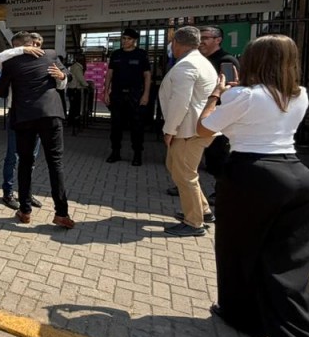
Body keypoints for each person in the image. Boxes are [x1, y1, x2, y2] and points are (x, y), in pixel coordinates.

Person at [197, 34, 309, 337]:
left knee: (239, 252)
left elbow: (203, 129)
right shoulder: (299, 94)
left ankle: (243, 317)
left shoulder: (244, 95)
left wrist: (217, 94)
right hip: (298, 177)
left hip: (252, 176)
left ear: (254, 62)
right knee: (289, 264)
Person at [0, 32, 74, 227]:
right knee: (55, 164)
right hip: (51, 114)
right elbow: (66, 78)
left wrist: (62, 76)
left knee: (25, 163)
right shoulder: (51, 55)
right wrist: (63, 76)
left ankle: (25, 211)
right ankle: (62, 213)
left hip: (24, 117)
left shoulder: (11, 63)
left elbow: (0, 91)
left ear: (17, 47)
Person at [158, 26, 217, 237]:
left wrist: (169, 130)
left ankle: (194, 222)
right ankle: (203, 210)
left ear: (177, 43)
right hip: (197, 128)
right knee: (177, 167)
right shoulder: (202, 61)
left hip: (188, 129)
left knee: (184, 174)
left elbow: (180, 103)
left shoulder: (187, 65)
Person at [103, 27, 152, 166]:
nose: (125, 41)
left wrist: (146, 94)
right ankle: (115, 152)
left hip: (135, 94)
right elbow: (109, 74)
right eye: (123, 38)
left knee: (137, 126)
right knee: (116, 125)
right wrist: (106, 92)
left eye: (128, 39)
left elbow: (147, 75)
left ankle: (137, 154)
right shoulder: (116, 54)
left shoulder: (141, 54)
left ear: (135, 41)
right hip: (117, 94)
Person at [199, 26, 240, 180]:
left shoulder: (226, 60)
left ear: (218, 40)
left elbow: (231, 89)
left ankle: (220, 191)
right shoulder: (200, 60)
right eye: (200, 38)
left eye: (205, 38)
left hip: (218, 115)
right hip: (201, 112)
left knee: (217, 155)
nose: (201, 42)